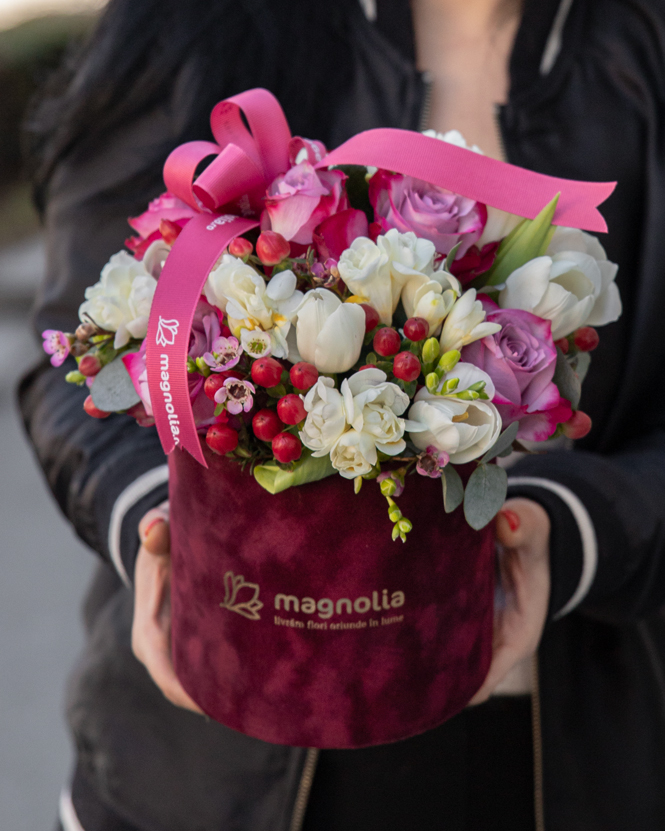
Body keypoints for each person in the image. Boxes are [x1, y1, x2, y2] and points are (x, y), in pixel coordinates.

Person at [19, 0, 665, 828]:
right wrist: (163, 523)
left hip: (574, 763)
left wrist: (569, 533)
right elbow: (78, 363)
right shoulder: (196, 21)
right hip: (201, 772)